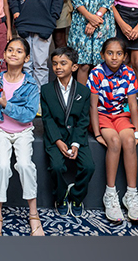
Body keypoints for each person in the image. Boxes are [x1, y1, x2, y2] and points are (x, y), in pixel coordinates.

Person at [0, 37, 44, 236]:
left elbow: (28, 114)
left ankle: (33, 215)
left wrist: (4, 104)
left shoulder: (31, 84)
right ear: (4, 55)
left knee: (26, 166)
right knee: (1, 167)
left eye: (19, 51)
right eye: (10, 50)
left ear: (27, 58)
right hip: (1, 130)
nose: (13, 54)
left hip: (23, 131)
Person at [88, 37, 138, 223]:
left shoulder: (128, 73)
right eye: (110, 53)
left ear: (125, 56)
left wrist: (136, 131)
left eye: (119, 54)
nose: (114, 57)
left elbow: (133, 105)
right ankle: (110, 194)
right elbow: (93, 107)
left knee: (128, 140)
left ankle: (131, 194)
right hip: (102, 116)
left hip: (120, 115)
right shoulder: (96, 73)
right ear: (103, 54)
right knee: (114, 141)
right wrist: (96, 132)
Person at [40, 46, 94, 218]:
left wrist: (76, 143)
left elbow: (83, 120)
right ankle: (61, 196)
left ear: (74, 67)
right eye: (55, 63)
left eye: (63, 63)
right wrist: (57, 140)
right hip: (55, 137)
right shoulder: (46, 90)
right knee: (56, 167)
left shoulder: (84, 91)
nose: (58, 67)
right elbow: (47, 119)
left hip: (77, 137)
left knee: (88, 166)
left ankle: (76, 196)